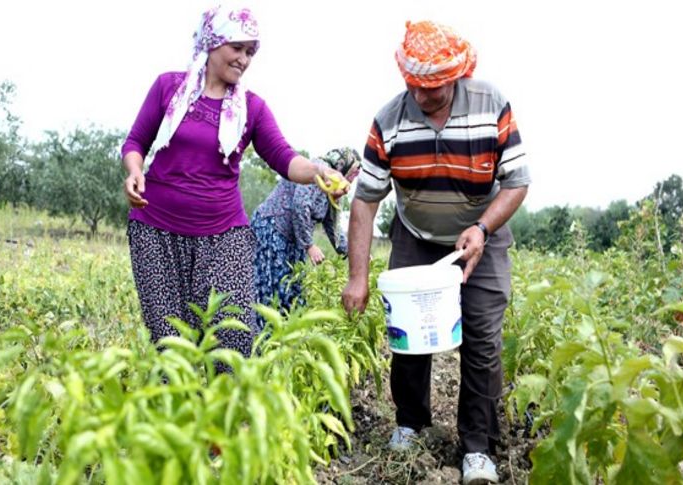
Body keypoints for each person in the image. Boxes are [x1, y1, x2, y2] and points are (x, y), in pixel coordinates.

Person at [341, 20, 530, 485]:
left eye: (437, 87)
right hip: (416, 233)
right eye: (417, 87)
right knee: (409, 334)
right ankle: (410, 424)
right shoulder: (389, 120)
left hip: (481, 231)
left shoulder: (491, 105)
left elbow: (517, 182)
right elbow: (365, 199)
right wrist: (358, 277)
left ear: (458, 73)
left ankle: (477, 449)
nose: (426, 97)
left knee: (483, 337)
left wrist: (483, 228)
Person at [121, 4, 349, 360]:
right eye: (237, 48)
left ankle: (224, 412)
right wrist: (135, 171)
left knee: (232, 338)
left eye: (250, 52)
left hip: (223, 237)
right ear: (213, 42)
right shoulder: (169, 88)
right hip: (156, 231)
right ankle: (178, 413)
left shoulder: (251, 108)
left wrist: (319, 169)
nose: (244, 59)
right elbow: (136, 142)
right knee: (169, 343)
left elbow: (285, 158)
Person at [252, 147, 361, 312]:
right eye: (352, 174)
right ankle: (264, 335)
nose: (352, 180)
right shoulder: (319, 170)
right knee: (273, 292)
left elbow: (333, 229)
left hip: (293, 241)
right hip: (272, 231)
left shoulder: (332, 188)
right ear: (342, 166)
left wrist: (356, 255)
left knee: (293, 292)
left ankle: (288, 335)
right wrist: (309, 245)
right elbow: (301, 205)